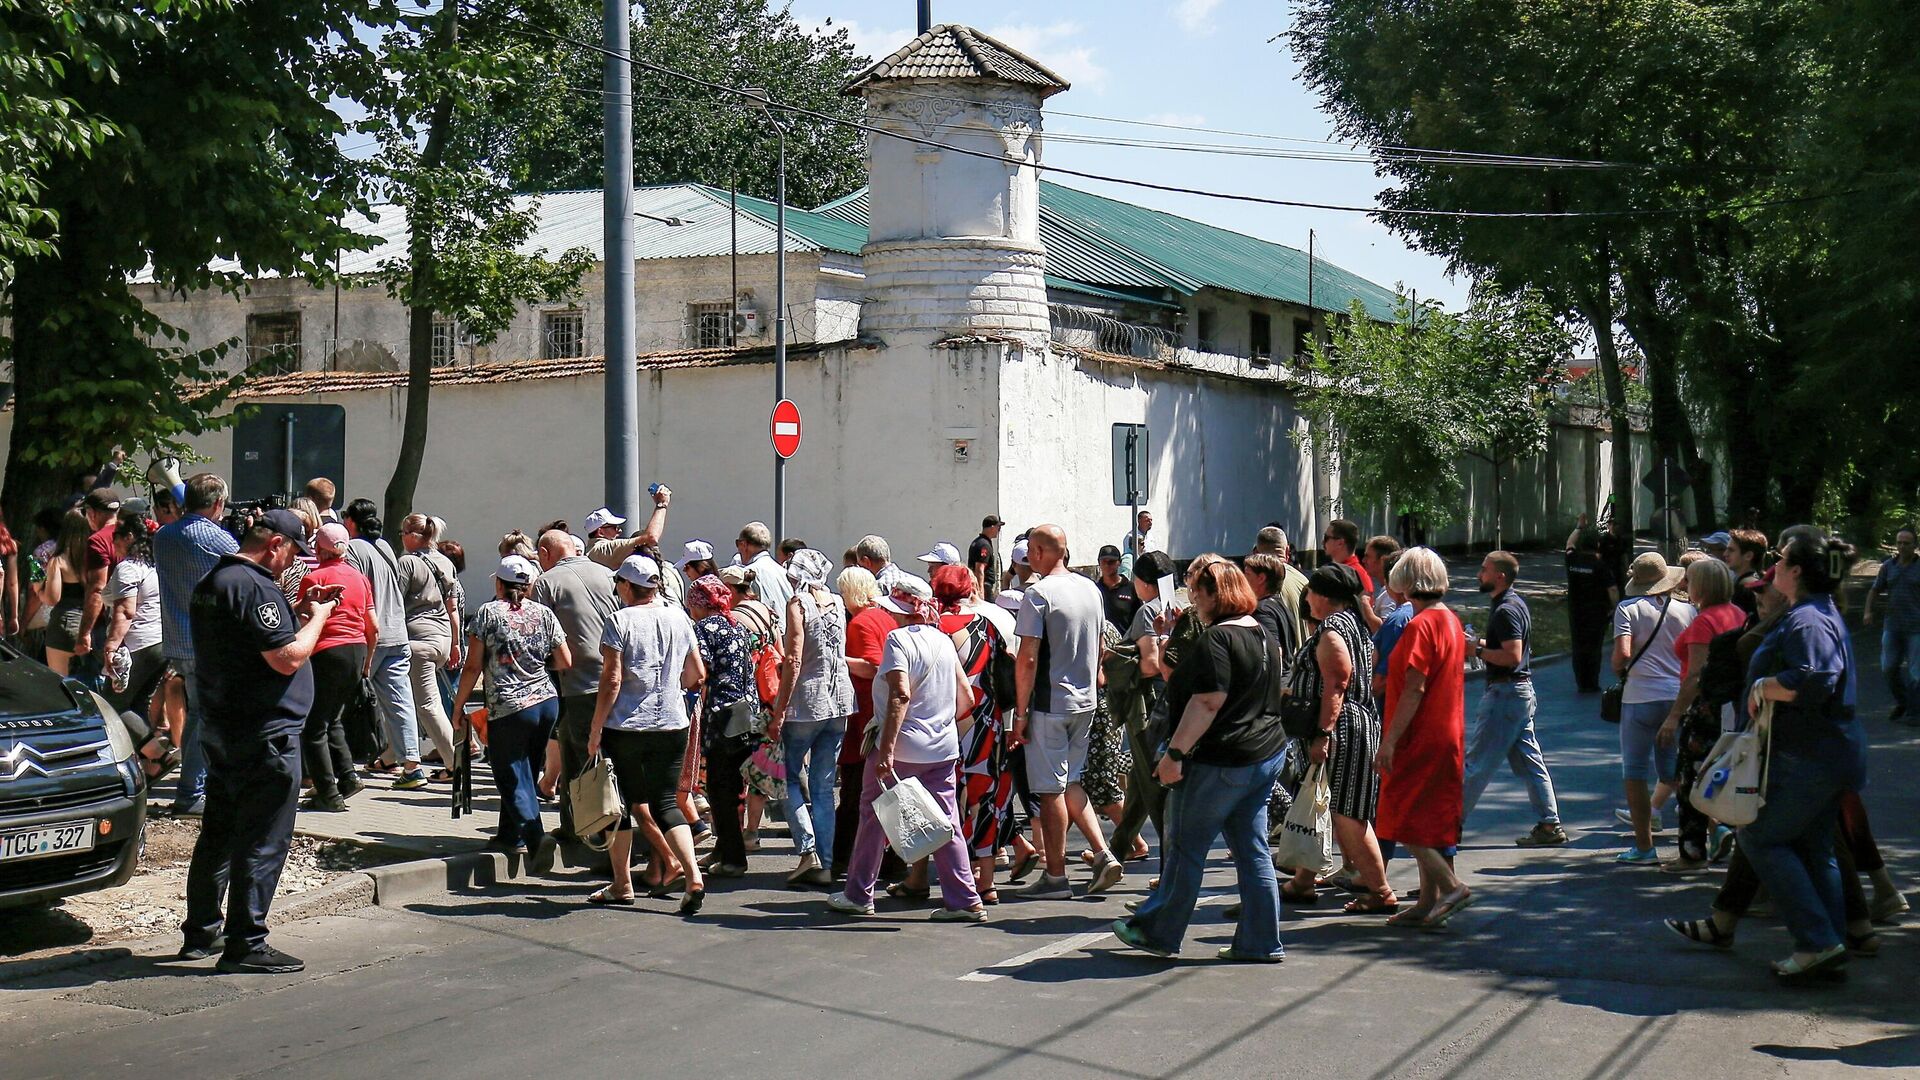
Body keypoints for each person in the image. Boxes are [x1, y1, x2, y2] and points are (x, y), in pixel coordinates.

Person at [179, 510, 337, 974]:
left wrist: (300, 612)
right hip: (265, 732)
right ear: (275, 546)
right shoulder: (253, 584)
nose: (293, 564)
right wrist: (320, 618)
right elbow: (286, 657)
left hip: (224, 726)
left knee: (220, 834)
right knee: (263, 837)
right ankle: (246, 942)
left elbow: (249, 642)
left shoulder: (214, 581)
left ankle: (202, 931)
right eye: (293, 553)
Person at [1112, 561, 1287, 961]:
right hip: (1262, 755)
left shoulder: (1219, 639)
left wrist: (1175, 753)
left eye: (1197, 591)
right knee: (1252, 850)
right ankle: (1261, 941)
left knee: (1185, 848)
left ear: (1215, 595)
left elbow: (1208, 700)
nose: (1192, 598)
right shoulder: (1261, 633)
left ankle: (1159, 931)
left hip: (1222, 759)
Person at [1740, 528, 1867, 982]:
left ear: (1796, 571)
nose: (1772, 565)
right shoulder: (1815, 611)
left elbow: (1813, 679)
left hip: (1810, 755)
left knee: (1761, 837)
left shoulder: (1808, 618)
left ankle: (1816, 941)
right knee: (1815, 849)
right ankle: (1828, 944)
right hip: (1829, 753)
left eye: (1781, 558)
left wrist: (1763, 687)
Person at [828, 577, 986, 922]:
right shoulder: (943, 641)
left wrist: (885, 750)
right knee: (947, 823)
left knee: (873, 817)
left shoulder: (898, 640)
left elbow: (900, 694)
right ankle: (964, 899)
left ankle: (858, 893)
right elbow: (967, 698)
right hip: (942, 748)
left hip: (902, 748)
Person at [583, 555, 709, 913]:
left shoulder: (619, 621)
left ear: (625, 585)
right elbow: (696, 674)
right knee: (666, 802)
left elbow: (611, 680)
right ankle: (693, 873)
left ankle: (622, 883)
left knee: (620, 806)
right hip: (672, 724)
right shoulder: (679, 617)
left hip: (626, 726)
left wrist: (595, 728)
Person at [1012, 524, 1125, 898]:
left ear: (1042, 552)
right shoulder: (1089, 588)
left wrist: (1021, 711)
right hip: (1085, 701)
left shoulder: (1038, 594)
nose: (1028, 556)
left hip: (1050, 703)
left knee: (1049, 791)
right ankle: (1104, 853)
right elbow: (1098, 643)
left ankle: (1056, 876)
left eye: (1031, 549)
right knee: (1070, 782)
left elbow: (1027, 657)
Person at [1282, 564, 1393, 913]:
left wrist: (1323, 734)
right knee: (1322, 802)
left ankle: (1381, 891)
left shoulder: (1332, 629)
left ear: (1324, 597)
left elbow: (1337, 683)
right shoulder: (1353, 624)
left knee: (1347, 813)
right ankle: (1302, 882)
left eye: (1311, 592)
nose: (1307, 598)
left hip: (1343, 729)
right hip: (1354, 725)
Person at [1373, 549, 1473, 928]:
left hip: (1420, 732)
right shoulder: (1449, 619)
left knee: (1399, 816)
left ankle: (1449, 887)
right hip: (1447, 730)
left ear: (1407, 581)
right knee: (1431, 816)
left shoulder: (1420, 625)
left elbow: (1414, 687)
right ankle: (1427, 901)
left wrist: (1390, 740)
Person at [452, 555, 570, 854]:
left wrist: (459, 705)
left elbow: (472, 666)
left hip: (508, 706)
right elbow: (565, 660)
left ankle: (535, 836)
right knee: (526, 770)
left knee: (508, 773)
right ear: (529, 585)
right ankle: (510, 834)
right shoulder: (544, 614)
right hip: (546, 703)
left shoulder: (488, 613)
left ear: (499, 583)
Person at [1461, 551, 1569, 848]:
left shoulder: (1506, 610)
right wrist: (1479, 643)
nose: (1479, 574)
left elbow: (1512, 655)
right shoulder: (1511, 603)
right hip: (1518, 693)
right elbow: (1509, 648)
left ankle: (1447, 826)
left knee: (1477, 762)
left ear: (1500, 576)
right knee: (1530, 762)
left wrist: (1476, 652)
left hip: (1506, 694)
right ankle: (1549, 825)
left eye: (1484, 570)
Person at [153, 473, 240, 816]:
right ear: (218, 503)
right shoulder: (216, 538)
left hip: (178, 639)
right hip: (210, 642)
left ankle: (191, 788)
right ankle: (191, 793)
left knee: (197, 715)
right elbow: (245, 566)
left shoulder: (163, 536)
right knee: (207, 716)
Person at [930, 564, 1017, 903]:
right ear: (968, 589)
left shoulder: (932, 627)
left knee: (946, 798)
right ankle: (988, 880)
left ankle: (949, 877)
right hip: (986, 720)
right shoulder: (986, 626)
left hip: (946, 720)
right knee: (987, 797)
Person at [768, 549, 855, 887]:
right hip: (839, 699)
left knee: (786, 776)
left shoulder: (798, 603)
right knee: (822, 784)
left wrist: (779, 711)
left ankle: (809, 850)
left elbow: (793, 658)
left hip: (807, 700)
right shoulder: (835, 601)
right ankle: (827, 860)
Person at [531, 529, 621, 840]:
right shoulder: (607, 574)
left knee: (582, 757)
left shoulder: (546, 583)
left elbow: (539, 636)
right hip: (616, 678)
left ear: (545, 553)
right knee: (588, 752)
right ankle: (576, 826)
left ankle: (595, 834)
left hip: (577, 683)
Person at [1656, 557, 1745, 869]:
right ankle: (1726, 829)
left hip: (1705, 707)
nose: (1684, 585)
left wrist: (1674, 716)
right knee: (1725, 773)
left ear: (1701, 586)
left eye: (1689, 580)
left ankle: (1692, 853)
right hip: (1733, 706)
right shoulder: (1737, 613)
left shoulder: (1704, 622)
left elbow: (1695, 675)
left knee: (1690, 776)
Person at [1611, 552, 1697, 864]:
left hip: (1640, 697)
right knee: (1676, 769)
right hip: (1676, 697)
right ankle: (1708, 832)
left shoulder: (1627, 609)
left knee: (1634, 771)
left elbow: (1623, 652)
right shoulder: (1688, 610)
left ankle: (1644, 846)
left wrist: (1618, 666)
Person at [340, 499, 426, 789]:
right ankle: (412, 766)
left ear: (351, 522)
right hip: (397, 633)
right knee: (400, 702)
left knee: (341, 702)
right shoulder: (386, 547)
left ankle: (338, 770)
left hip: (369, 635)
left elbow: (353, 592)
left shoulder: (352, 550)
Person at [294, 524, 375, 812]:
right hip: (356, 650)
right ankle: (349, 778)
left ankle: (328, 793)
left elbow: (304, 620)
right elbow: (373, 626)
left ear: (320, 549)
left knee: (314, 727)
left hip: (326, 652)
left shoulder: (314, 578)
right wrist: (366, 662)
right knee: (334, 719)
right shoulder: (360, 578)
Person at [1107, 551, 1176, 865]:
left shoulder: (1149, 611)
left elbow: (1149, 665)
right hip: (1175, 703)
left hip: (1148, 705)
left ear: (1143, 582)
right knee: (1139, 780)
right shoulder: (1181, 602)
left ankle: (1171, 866)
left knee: (1153, 785)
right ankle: (1117, 850)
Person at [688, 572, 757, 877]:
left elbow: (698, 672)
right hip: (746, 715)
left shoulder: (703, 629)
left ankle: (733, 858)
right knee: (735, 788)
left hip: (721, 718)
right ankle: (723, 850)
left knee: (719, 788)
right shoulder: (735, 625)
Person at [833, 565, 893, 879]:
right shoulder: (885, 616)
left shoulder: (861, 622)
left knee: (855, 792)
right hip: (880, 714)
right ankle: (890, 862)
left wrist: (838, 660)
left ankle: (842, 858)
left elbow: (872, 666)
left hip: (866, 717)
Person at [397, 513, 461, 780]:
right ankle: (390, 756)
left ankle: (455, 764)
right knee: (406, 700)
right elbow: (453, 608)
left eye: (403, 534)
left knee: (427, 705)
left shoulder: (407, 563)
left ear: (412, 536)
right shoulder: (445, 562)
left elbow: (394, 602)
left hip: (418, 641)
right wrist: (456, 643)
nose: (401, 539)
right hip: (443, 638)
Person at [99, 515, 166, 724]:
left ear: (129, 537)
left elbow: (126, 612)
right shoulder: (154, 565)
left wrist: (110, 647)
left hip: (138, 644)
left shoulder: (128, 568)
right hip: (160, 643)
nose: (113, 544)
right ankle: (147, 757)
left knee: (112, 708)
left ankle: (161, 756)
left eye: (116, 538)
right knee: (139, 704)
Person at [1863, 527, 1920, 722]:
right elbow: (1875, 590)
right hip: (1893, 625)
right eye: (1899, 543)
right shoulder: (1888, 566)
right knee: (1888, 668)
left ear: (1915, 546)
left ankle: (1915, 712)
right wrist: (1868, 611)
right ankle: (1903, 701)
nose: (1902, 547)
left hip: (1916, 627)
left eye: (1907, 543)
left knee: (1915, 672)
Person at [1564, 527, 1620, 692]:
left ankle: (1581, 682)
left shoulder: (1572, 560)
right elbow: (1613, 590)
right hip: (1597, 612)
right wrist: (1616, 607)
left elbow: (1569, 544)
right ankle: (1591, 682)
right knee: (1594, 647)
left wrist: (1578, 528)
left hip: (1576, 611)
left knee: (1578, 646)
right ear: (1597, 545)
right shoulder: (1600, 565)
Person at [37, 510, 93, 677]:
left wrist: (38, 591)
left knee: (60, 683)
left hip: (64, 624)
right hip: (90, 625)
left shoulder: (59, 560)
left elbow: (52, 598)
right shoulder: (95, 556)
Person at [74, 488, 123, 670]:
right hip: (135, 619)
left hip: (106, 624)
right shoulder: (133, 534)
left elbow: (97, 589)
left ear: (92, 513)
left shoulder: (98, 541)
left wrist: (84, 633)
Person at [584, 486, 671, 571]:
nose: (619, 531)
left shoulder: (591, 551)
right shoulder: (604, 549)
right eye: (615, 527)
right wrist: (662, 504)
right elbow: (651, 538)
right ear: (601, 532)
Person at [734, 520, 793, 629]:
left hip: (768, 637)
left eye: (738, 544)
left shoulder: (748, 573)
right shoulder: (784, 572)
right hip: (788, 636)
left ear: (744, 544)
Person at [1095, 544, 1139, 633]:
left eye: (1111, 562)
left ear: (1119, 562)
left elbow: (1139, 618)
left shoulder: (1131, 588)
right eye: (1104, 561)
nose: (1107, 565)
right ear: (1099, 563)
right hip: (1101, 644)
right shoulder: (1095, 589)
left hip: (1125, 644)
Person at [1363, 535, 1402, 619]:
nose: (1363, 560)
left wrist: (1365, 605)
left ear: (1382, 560)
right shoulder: (1387, 589)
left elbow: (1386, 627)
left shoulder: (1390, 592)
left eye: (1368, 556)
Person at [969, 515, 1004, 601]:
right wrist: (980, 591)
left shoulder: (979, 542)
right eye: (998, 528)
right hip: (985, 585)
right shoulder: (984, 544)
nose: (999, 531)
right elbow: (980, 569)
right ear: (992, 527)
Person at [1119, 509, 1153, 577]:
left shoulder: (1150, 536)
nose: (1150, 522)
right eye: (1147, 520)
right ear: (1139, 521)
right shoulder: (1131, 537)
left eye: (1151, 520)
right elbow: (1129, 555)